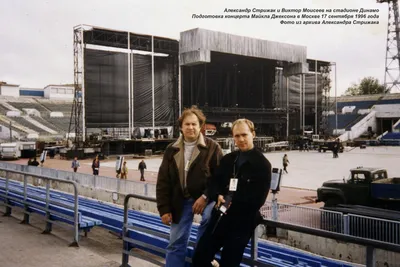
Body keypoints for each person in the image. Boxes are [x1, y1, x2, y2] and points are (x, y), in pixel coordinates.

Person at [192, 118, 272, 267]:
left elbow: (258, 200)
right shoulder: (229, 159)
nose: (241, 139)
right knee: (200, 257)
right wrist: (218, 196)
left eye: (244, 135)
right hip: (220, 217)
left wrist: (232, 202)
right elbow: (215, 182)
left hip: (242, 222)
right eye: (237, 136)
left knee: (229, 262)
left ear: (253, 134)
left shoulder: (262, 165)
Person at [156, 106, 223, 267]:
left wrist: (205, 196)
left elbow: (220, 178)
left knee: (208, 219)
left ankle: (202, 253)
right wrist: (164, 209)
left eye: (194, 124)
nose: (191, 127)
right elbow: (163, 181)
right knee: (175, 243)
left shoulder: (213, 148)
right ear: (181, 127)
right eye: (187, 124)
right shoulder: (171, 150)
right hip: (181, 201)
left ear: (201, 126)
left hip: (207, 198)